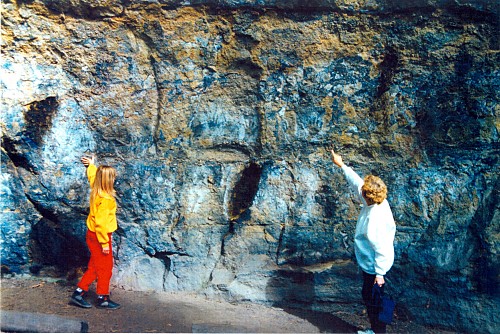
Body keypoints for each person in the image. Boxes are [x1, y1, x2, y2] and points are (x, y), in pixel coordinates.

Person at [330, 149, 396, 334]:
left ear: (367, 197)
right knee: (370, 297)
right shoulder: (379, 201)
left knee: (374, 299)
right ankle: (376, 331)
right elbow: (357, 184)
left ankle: (377, 332)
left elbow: (381, 247)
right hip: (372, 264)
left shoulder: (374, 220)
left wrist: (380, 274)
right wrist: (341, 164)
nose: (361, 192)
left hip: (375, 267)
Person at [70, 155, 121, 309]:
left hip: (92, 235)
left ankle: (79, 293)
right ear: (108, 181)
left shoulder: (96, 191)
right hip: (101, 236)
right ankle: (102, 297)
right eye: (112, 178)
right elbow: (101, 223)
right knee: (105, 268)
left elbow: (93, 177)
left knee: (95, 266)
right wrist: (105, 243)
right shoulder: (106, 199)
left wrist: (91, 166)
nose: (114, 180)